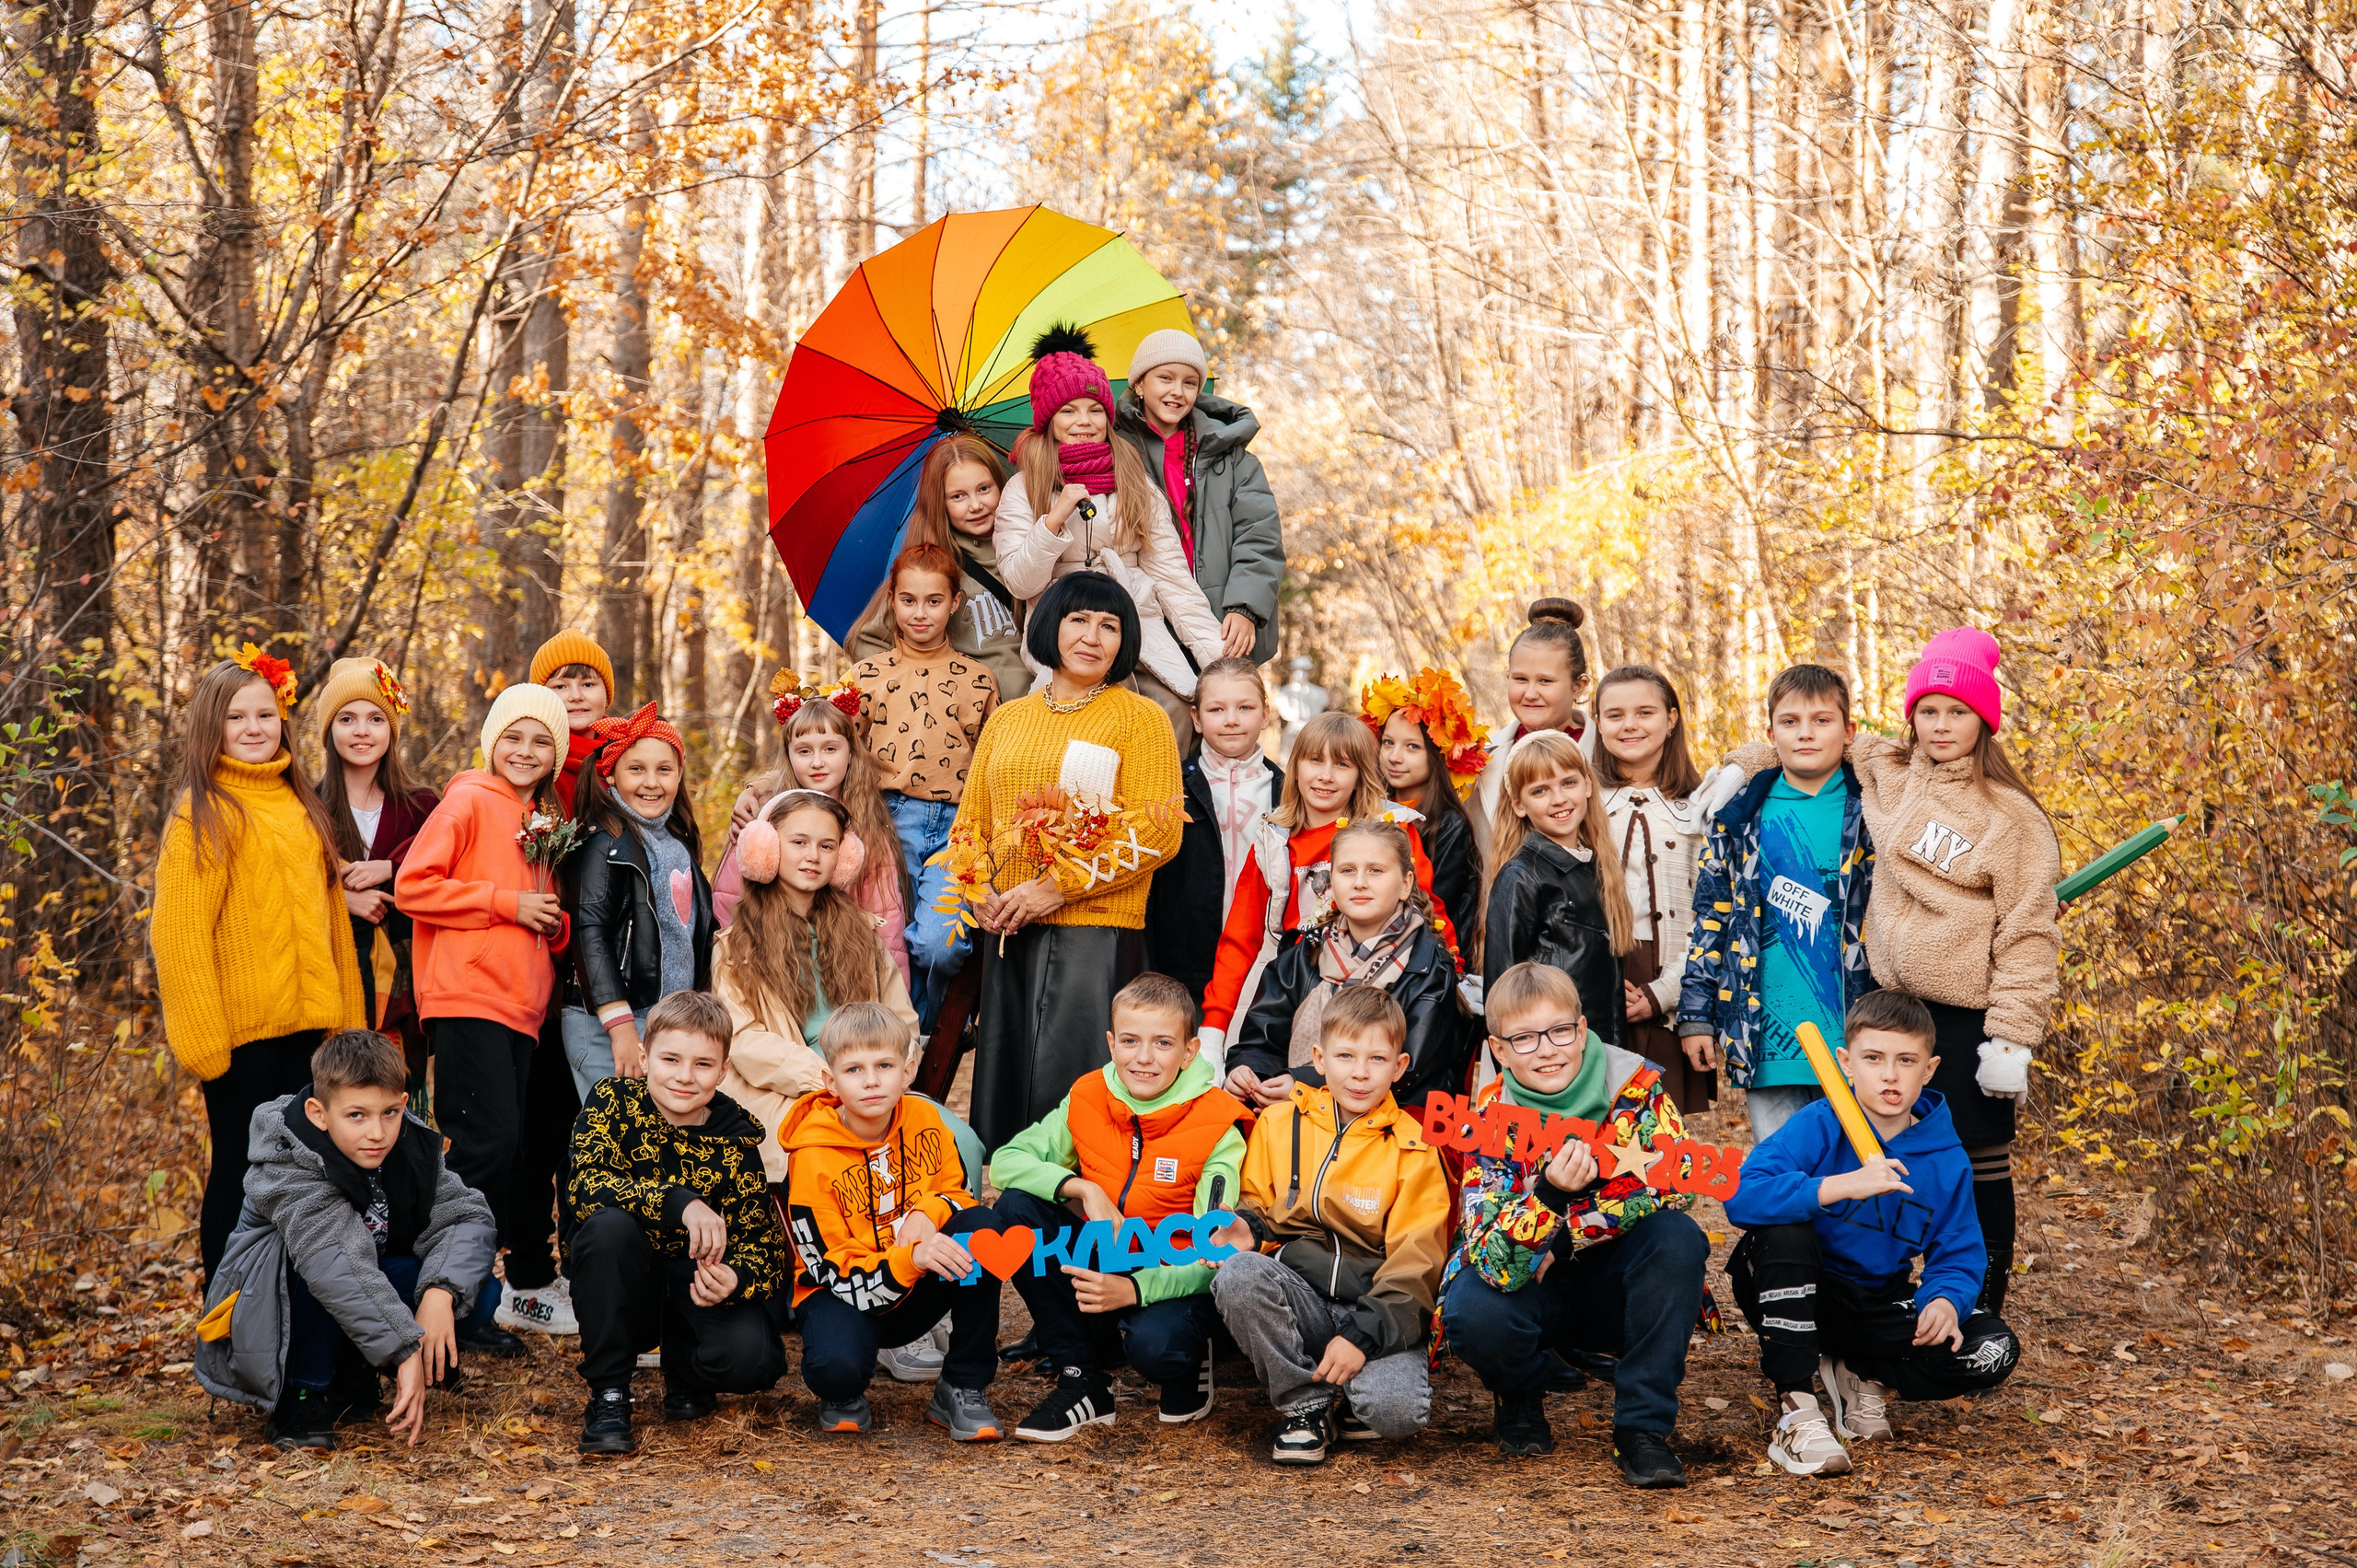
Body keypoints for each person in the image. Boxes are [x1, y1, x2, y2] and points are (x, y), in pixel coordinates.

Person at [1845, 628, 2061, 1315]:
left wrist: (2012, 1037)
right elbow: (1814, 740)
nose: (1940, 725)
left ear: (1983, 721)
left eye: (1957, 711)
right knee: (1883, 1156)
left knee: (1976, 1164)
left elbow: (2029, 931)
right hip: (1887, 1006)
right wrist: (1744, 762)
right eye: (1928, 709)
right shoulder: (1888, 771)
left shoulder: (2011, 817)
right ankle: (1882, 1299)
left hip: (1968, 1016)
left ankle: (1982, 1308)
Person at [1431, 963, 1711, 1485]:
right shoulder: (1487, 1119)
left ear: (1582, 1031)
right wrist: (1549, 1196)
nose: (1547, 1049)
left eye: (1560, 1031)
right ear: (1499, 1049)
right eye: (1525, 1038)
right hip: (1532, 1290)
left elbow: (1678, 1184)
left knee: (1678, 1239)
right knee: (1474, 1306)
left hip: (1616, 1284)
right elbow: (1493, 1260)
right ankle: (1521, 1387)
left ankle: (1641, 1430)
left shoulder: (1637, 1087)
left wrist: (1569, 1231)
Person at [1724, 989, 2019, 1477]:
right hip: (1797, 1288)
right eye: (1874, 1058)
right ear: (1846, 1062)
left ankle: (1863, 1371)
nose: (1889, 1075)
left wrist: (1946, 1300)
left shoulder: (1946, 1158)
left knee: (1993, 1348)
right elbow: (1742, 1196)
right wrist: (1840, 1187)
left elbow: (1960, 1255)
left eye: (1906, 1060)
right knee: (1785, 1233)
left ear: (1929, 1069)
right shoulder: (1821, 1124)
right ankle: (1798, 1411)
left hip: (1876, 1302)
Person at [946, 571, 1185, 1149]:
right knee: (1005, 1093)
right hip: (1008, 930)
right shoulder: (1008, 719)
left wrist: (1057, 887)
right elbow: (968, 828)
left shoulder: (1141, 718)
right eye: (1079, 619)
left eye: (1110, 626)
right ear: (1051, 625)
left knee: (1073, 1096)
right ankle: (1006, 1221)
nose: (1092, 636)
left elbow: (1160, 831)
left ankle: (1078, 1222)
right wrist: (979, 894)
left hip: (1094, 934)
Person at [152, 652, 366, 1281]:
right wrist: (202, 1042)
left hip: (312, 1032)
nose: (253, 727)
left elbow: (332, 922)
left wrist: (350, 1026)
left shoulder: (301, 803)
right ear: (211, 728)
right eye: (236, 716)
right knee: (244, 1176)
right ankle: (228, 1317)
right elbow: (179, 933)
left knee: (307, 1177)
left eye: (265, 715)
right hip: (241, 1038)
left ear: (283, 722)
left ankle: (295, 1323)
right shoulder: (203, 811)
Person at [195, 1028, 494, 1451]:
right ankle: (302, 1391)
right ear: (320, 1113)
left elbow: (466, 1215)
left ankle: (352, 1368)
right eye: (357, 1116)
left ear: (403, 1104)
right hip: (275, 1306)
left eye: (389, 1112)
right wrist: (406, 1348)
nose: (377, 1132)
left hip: (355, 1281)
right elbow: (335, 1263)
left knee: (479, 1295)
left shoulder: (407, 1144)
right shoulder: (286, 1156)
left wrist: (439, 1293)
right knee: (315, 1266)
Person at [989, 973, 1253, 1439]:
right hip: (1104, 1258)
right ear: (1112, 1043)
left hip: (1175, 1277)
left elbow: (1216, 1248)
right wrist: (1083, 1189)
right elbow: (1007, 1162)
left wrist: (1134, 1290)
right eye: (1130, 1040)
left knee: (1157, 1349)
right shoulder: (1089, 1096)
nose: (1144, 1058)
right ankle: (1081, 1377)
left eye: (1163, 1043)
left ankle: (1190, 1360)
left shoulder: (1218, 1123)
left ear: (1189, 1052)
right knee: (1016, 1207)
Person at [394, 681, 573, 1354]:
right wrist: (505, 902)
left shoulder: (542, 819)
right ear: (492, 740)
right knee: (483, 1150)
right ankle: (445, 1295)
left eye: (540, 741)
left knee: (507, 1152)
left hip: (520, 1008)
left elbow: (540, 915)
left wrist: (546, 926)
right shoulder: (467, 799)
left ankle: (466, 1294)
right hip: (467, 997)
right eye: (514, 736)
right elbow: (414, 885)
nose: (525, 750)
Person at [1209, 987, 1448, 1465]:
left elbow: (1417, 1263)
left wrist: (1363, 1335)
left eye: (1377, 1058)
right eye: (1345, 1055)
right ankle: (1306, 1406)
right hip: (1304, 1300)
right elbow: (1258, 1202)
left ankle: (1357, 1390)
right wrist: (1249, 1227)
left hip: (1374, 1307)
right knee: (1236, 1276)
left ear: (1399, 1067)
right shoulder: (1278, 1124)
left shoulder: (1415, 1149)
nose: (1360, 1073)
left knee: (1396, 1414)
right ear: (1319, 1059)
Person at [566, 991, 788, 1456]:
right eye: (671, 1059)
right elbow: (585, 1186)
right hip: (626, 1280)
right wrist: (680, 1203)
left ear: (724, 1071)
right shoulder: (613, 1103)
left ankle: (684, 1372)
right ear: (645, 1057)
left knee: (756, 1361)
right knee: (608, 1229)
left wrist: (737, 1276)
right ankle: (609, 1392)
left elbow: (763, 1246)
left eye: (703, 1064)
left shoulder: (737, 1140)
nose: (685, 1077)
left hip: (694, 1287)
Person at [779, 1003, 1012, 1441]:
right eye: (854, 1069)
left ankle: (963, 1384)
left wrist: (928, 1211)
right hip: (843, 1290)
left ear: (907, 1071)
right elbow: (827, 1264)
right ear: (830, 1081)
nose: (870, 1081)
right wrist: (912, 1258)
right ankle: (844, 1392)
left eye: (884, 1065)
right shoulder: (811, 1158)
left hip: (917, 1287)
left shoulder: (925, 1118)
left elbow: (957, 1189)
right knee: (836, 1370)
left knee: (983, 1230)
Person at [993, 325, 1225, 741]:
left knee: (1169, 715)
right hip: (1064, 633)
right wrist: (1053, 521)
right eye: (1069, 410)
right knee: (1066, 732)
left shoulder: (1133, 479)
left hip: (1135, 627)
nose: (1084, 421)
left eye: (1094, 409)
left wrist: (1217, 663)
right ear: (1049, 420)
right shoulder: (1023, 487)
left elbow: (1172, 576)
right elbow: (1020, 580)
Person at [1677, 666, 1876, 1143]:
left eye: (1822, 721)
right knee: (1789, 1179)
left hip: (1861, 1036)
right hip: (1767, 1037)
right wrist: (1696, 1014)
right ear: (1770, 734)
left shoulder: (1875, 809)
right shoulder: (1738, 815)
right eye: (1790, 722)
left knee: (1863, 1181)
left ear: (1849, 731)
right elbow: (1711, 918)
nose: (1805, 733)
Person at [1197, 711, 1457, 1065]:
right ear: (1297, 766)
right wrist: (1214, 1031)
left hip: (1381, 994)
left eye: (1342, 765)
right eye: (1315, 760)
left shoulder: (1389, 831)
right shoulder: (1274, 841)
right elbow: (1239, 942)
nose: (1325, 776)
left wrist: (1450, 991)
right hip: (1293, 992)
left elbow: (1431, 919)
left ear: (1361, 775)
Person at [501, 631, 616, 1339]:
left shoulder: (622, 761)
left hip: (597, 983)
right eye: (562, 683)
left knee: (589, 1126)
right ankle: (527, 1276)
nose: (575, 695)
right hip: (531, 974)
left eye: (587, 682)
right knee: (532, 1130)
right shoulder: (527, 766)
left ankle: (584, 1263)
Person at [710, 791, 915, 1178]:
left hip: (871, 1085)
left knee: (956, 1139)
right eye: (799, 842)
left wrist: (886, 1073)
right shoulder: (736, 946)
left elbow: (900, 1021)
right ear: (765, 850)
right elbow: (742, 1039)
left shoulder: (864, 935)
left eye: (827, 846)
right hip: (788, 1092)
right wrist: (829, 1079)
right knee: (830, 1155)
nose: (813, 856)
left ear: (844, 857)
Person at [846, 541, 999, 1029]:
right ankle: (896, 1044)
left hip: (958, 828)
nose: (920, 612)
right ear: (891, 599)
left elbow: (991, 770)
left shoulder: (980, 680)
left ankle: (923, 1034)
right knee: (884, 943)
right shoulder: (865, 677)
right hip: (883, 821)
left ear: (955, 603)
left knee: (940, 943)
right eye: (909, 600)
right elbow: (826, 751)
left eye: (934, 601)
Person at [1228, 819, 1470, 1111]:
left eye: (1376, 871)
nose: (1359, 882)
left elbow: (1408, 1073)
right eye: (1347, 871)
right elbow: (1261, 1040)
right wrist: (1251, 1071)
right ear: (1331, 882)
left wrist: (1303, 1085)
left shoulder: (1430, 968)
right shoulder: (1306, 953)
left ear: (1406, 884)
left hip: (1389, 1131)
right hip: (1298, 1120)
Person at [714, 677, 911, 987]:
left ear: (850, 753)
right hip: (770, 967)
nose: (817, 762)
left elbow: (887, 923)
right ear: (788, 756)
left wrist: (889, 1000)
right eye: (804, 751)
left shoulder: (868, 827)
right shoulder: (763, 818)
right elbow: (729, 901)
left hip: (842, 971)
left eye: (830, 748)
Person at [559, 703, 714, 1096]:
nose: (651, 782)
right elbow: (589, 932)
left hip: (665, 1023)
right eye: (636, 769)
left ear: (679, 775)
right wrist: (620, 1025)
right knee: (618, 1140)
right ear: (610, 774)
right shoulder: (604, 841)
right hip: (610, 1023)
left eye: (664, 770)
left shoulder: (676, 844)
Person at [1112, 327, 1285, 666]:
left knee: (1225, 714)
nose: (1177, 392)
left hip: (1225, 621)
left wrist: (1244, 607)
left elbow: (1260, 535)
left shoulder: (1233, 458)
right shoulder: (1117, 451)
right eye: (1165, 378)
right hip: (1154, 620)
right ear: (1139, 384)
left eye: (1189, 382)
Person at [1592, 666, 1713, 1114]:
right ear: (1598, 722)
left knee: (1660, 1135)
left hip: (1671, 975)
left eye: (1645, 712)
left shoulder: (1702, 807)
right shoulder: (1580, 802)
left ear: (1672, 719)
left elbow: (1711, 916)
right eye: (1615, 714)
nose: (1630, 725)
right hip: (1599, 975)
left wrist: (1662, 994)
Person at [312, 657, 439, 1087]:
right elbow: (283, 883)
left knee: (397, 1097)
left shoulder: (422, 805)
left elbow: (450, 874)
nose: (362, 731)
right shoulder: (306, 805)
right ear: (330, 730)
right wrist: (341, 900)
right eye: (347, 719)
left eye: (375, 719)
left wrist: (393, 868)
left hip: (407, 978)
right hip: (332, 975)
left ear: (392, 730)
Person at [847, 434, 1029, 710]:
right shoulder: (933, 566)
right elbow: (864, 640)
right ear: (939, 502)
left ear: (1001, 485)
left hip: (1035, 708)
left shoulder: (1028, 544)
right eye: (958, 496)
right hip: (972, 720)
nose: (975, 505)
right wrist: (925, 688)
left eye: (984, 489)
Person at [1482, 730, 1635, 1048]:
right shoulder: (1520, 876)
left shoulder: (1596, 866)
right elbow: (1503, 986)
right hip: (1550, 1052)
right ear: (1519, 805)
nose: (1559, 799)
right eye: (1540, 791)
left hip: (1597, 1049)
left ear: (1588, 785)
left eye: (1568, 782)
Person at [1143, 656, 1282, 1003]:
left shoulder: (1287, 790)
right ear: (1197, 719)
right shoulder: (1172, 786)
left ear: (1265, 714)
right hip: (1184, 964)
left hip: (1263, 961)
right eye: (1217, 709)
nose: (1232, 720)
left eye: (1245, 707)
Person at [1364, 667, 1490, 966]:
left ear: (1437, 757)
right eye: (1388, 743)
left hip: (1429, 957)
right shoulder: (1369, 809)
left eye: (1412, 747)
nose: (1394, 757)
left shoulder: (1448, 825)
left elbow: (1436, 906)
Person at [1471, 598, 1594, 857]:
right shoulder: (1481, 759)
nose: (1530, 693)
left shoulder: (1607, 754)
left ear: (1578, 686)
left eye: (1545, 681)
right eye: (1520, 679)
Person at [529, 631, 616, 815]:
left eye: (588, 685)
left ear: (607, 694)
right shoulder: (529, 758)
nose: (576, 696)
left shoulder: (628, 751)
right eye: (560, 687)